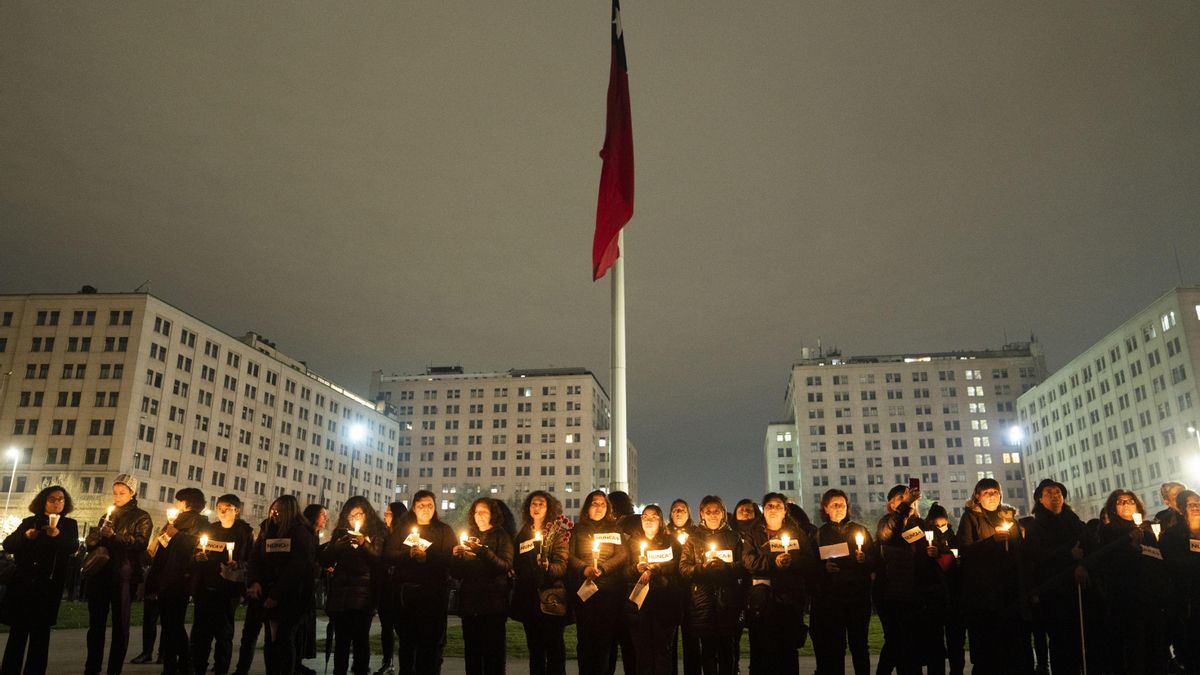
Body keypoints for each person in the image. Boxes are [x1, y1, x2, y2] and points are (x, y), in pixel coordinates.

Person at [1085, 489, 1171, 674]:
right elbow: (1109, 564)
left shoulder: (1146, 532)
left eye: (1130, 501)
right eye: (1120, 501)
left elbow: (1157, 560)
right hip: (1128, 600)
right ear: (1113, 508)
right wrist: (1130, 549)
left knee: (1156, 648)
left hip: (1152, 599)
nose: (1126, 504)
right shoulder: (1109, 532)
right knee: (1134, 650)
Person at [0, 485, 80, 675]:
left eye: (61, 499)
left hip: (49, 587)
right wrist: (26, 537)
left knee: (40, 637)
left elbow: (72, 546)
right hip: (24, 586)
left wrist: (57, 535)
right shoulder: (30, 522)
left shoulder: (68, 525)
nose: (57, 503)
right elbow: (9, 544)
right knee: (17, 635)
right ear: (43, 501)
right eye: (52, 499)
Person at [956, 478, 1029, 675]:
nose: (992, 496)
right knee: (987, 648)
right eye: (987, 492)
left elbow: (1018, 552)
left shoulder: (1008, 517)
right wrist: (992, 541)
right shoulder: (971, 518)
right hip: (983, 594)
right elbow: (965, 549)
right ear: (977, 497)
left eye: (995, 492)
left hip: (1009, 591)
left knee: (1011, 646)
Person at [872, 484, 946, 675]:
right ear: (891, 505)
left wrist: (937, 552)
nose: (908, 500)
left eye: (909, 497)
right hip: (896, 596)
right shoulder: (887, 522)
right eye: (901, 498)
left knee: (919, 647)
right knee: (898, 645)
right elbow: (888, 535)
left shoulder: (924, 525)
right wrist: (904, 506)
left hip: (922, 595)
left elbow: (944, 554)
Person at [84, 474, 153, 675]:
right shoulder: (108, 514)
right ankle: (92, 667)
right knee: (96, 624)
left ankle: (114, 669)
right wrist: (93, 540)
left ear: (132, 493)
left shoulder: (142, 517)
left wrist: (115, 537)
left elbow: (141, 543)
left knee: (120, 625)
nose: (117, 496)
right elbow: (97, 544)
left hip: (124, 574)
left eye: (122, 493)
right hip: (101, 573)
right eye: (115, 492)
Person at [385, 489, 456, 675]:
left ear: (435, 508)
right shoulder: (402, 530)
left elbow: (451, 559)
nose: (426, 509)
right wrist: (407, 555)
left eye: (429, 505)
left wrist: (428, 558)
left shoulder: (444, 531)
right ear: (414, 508)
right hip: (406, 598)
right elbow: (389, 554)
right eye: (421, 505)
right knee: (407, 645)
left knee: (430, 647)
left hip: (433, 597)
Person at [1019, 479, 1085, 675]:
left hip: (1078, 587)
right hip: (1054, 591)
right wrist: (1067, 554)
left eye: (1058, 492)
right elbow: (1036, 557)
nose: (1055, 496)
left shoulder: (1073, 520)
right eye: (1049, 493)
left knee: (1078, 638)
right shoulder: (1036, 526)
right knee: (1060, 640)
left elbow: (1086, 543)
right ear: (1040, 499)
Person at [247, 495, 317, 675]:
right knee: (271, 639)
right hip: (268, 591)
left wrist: (276, 595)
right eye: (273, 510)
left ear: (290, 512)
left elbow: (297, 568)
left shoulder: (300, 533)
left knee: (285, 639)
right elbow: (255, 557)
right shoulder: (267, 529)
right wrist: (254, 581)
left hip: (292, 596)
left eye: (279, 511)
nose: (275, 514)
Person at [742, 492, 811, 675]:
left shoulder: (796, 533)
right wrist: (774, 562)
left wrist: (792, 562)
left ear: (785, 511)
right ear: (763, 511)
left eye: (778, 506)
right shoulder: (753, 534)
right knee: (761, 649)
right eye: (769, 506)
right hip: (762, 600)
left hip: (789, 598)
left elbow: (808, 559)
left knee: (787, 649)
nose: (773, 509)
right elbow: (748, 562)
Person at [808, 489, 873, 675]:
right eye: (834, 505)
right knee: (835, 648)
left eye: (842, 505)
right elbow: (811, 566)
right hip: (831, 600)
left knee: (860, 646)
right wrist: (824, 569)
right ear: (825, 508)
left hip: (857, 598)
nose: (839, 508)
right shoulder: (819, 535)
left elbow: (874, 560)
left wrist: (864, 559)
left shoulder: (859, 530)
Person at [190, 493, 255, 675]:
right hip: (206, 587)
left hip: (228, 590)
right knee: (202, 633)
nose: (222, 512)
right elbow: (196, 552)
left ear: (237, 510)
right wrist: (198, 557)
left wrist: (239, 564)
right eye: (219, 508)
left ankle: (221, 668)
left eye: (227, 509)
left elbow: (252, 560)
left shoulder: (244, 533)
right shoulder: (211, 529)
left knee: (223, 633)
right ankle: (198, 667)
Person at [679, 495, 743, 675]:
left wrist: (726, 567)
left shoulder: (733, 537)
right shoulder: (693, 539)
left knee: (727, 649)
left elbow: (743, 566)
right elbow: (684, 569)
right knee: (707, 650)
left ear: (723, 513)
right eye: (708, 511)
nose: (713, 515)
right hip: (702, 601)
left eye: (717, 511)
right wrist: (701, 568)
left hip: (728, 600)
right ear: (701, 514)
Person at [569, 489, 630, 675]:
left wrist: (603, 568)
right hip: (585, 592)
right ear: (587, 507)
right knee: (586, 640)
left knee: (606, 642)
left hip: (609, 593)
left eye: (603, 504)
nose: (599, 508)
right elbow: (570, 556)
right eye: (595, 504)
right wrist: (584, 569)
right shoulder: (578, 529)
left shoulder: (614, 529)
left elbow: (622, 554)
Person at [321, 496, 385, 675]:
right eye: (351, 516)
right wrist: (337, 548)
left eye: (358, 514)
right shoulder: (341, 534)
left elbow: (379, 560)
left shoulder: (377, 533)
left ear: (367, 514)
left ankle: (360, 670)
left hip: (364, 596)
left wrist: (364, 544)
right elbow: (325, 560)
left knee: (360, 640)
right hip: (340, 595)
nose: (355, 519)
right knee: (341, 641)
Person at [451, 498, 515, 675]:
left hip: (493, 606)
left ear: (492, 514)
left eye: (484, 511)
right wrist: (456, 557)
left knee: (493, 654)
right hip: (470, 605)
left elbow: (505, 565)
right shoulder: (471, 536)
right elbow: (457, 574)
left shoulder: (501, 536)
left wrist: (483, 552)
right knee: (472, 654)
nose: (479, 515)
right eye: (476, 512)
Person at [511, 491, 571, 675]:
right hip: (529, 599)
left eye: (541, 504)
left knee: (554, 648)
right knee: (535, 648)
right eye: (533, 504)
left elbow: (562, 565)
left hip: (550, 598)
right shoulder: (524, 532)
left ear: (549, 508)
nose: (536, 508)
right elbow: (517, 559)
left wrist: (548, 567)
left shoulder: (558, 532)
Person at [154, 487, 208, 675]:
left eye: (178, 501)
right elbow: (162, 547)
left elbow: (195, 546)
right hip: (167, 578)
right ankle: (173, 663)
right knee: (169, 624)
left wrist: (176, 534)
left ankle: (184, 662)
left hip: (179, 579)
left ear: (186, 503)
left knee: (173, 623)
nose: (176, 505)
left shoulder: (198, 522)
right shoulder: (175, 522)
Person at [624, 504, 682, 675]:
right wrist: (636, 569)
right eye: (645, 517)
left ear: (661, 521)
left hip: (664, 604)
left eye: (654, 517)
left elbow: (679, 567)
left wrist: (658, 569)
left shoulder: (671, 542)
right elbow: (623, 572)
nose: (649, 520)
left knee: (663, 653)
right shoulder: (632, 543)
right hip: (640, 606)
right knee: (643, 654)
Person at [1162, 489, 1200, 673]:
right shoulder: (1172, 536)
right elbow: (1172, 565)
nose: (1196, 508)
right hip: (1189, 601)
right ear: (1182, 509)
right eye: (1191, 505)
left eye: (1199, 504)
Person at [925, 502, 965, 675]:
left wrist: (958, 563)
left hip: (953, 598)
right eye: (937, 525)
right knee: (935, 644)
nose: (941, 528)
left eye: (944, 525)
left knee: (956, 642)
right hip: (934, 598)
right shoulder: (925, 542)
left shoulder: (955, 539)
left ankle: (956, 670)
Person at [667, 499, 700, 675]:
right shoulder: (664, 534)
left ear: (688, 513)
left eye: (682, 509)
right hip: (671, 590)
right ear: (670, 514)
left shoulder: (696, 534)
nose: (678, 513)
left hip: (691, 591)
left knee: (692, 638)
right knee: (669, 639)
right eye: (675, 510)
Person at [375, 501, 408, 675]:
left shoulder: (405, 534)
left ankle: (405, 663)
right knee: (386, 626)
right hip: (385, 586)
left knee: (402, 627)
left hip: (400, 587)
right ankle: (387, 660)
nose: (385, 515)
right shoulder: (383, 534)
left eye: (388, 513)